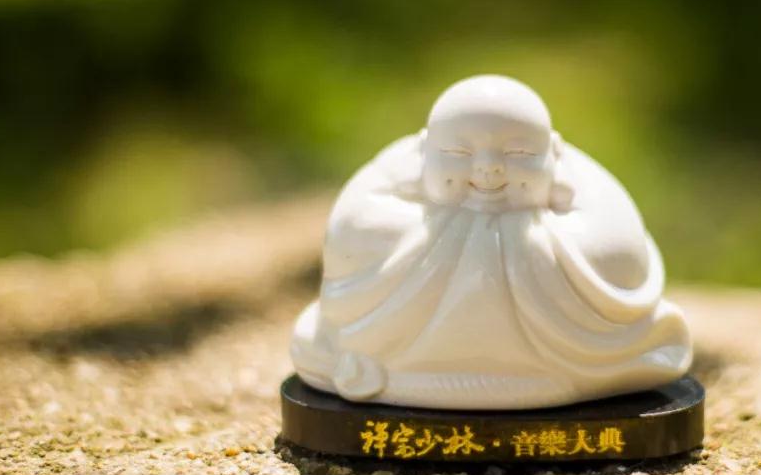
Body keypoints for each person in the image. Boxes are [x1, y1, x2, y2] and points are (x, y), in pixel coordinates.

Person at [291, 75, 691, 409]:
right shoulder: (382, 186)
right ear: (424, 152)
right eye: (458, 152)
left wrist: (514, 245)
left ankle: (393, 372)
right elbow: (352, 239)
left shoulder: (595, 196)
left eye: (518, 152)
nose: (488, 171)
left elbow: (620, 258)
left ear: (554, 155)